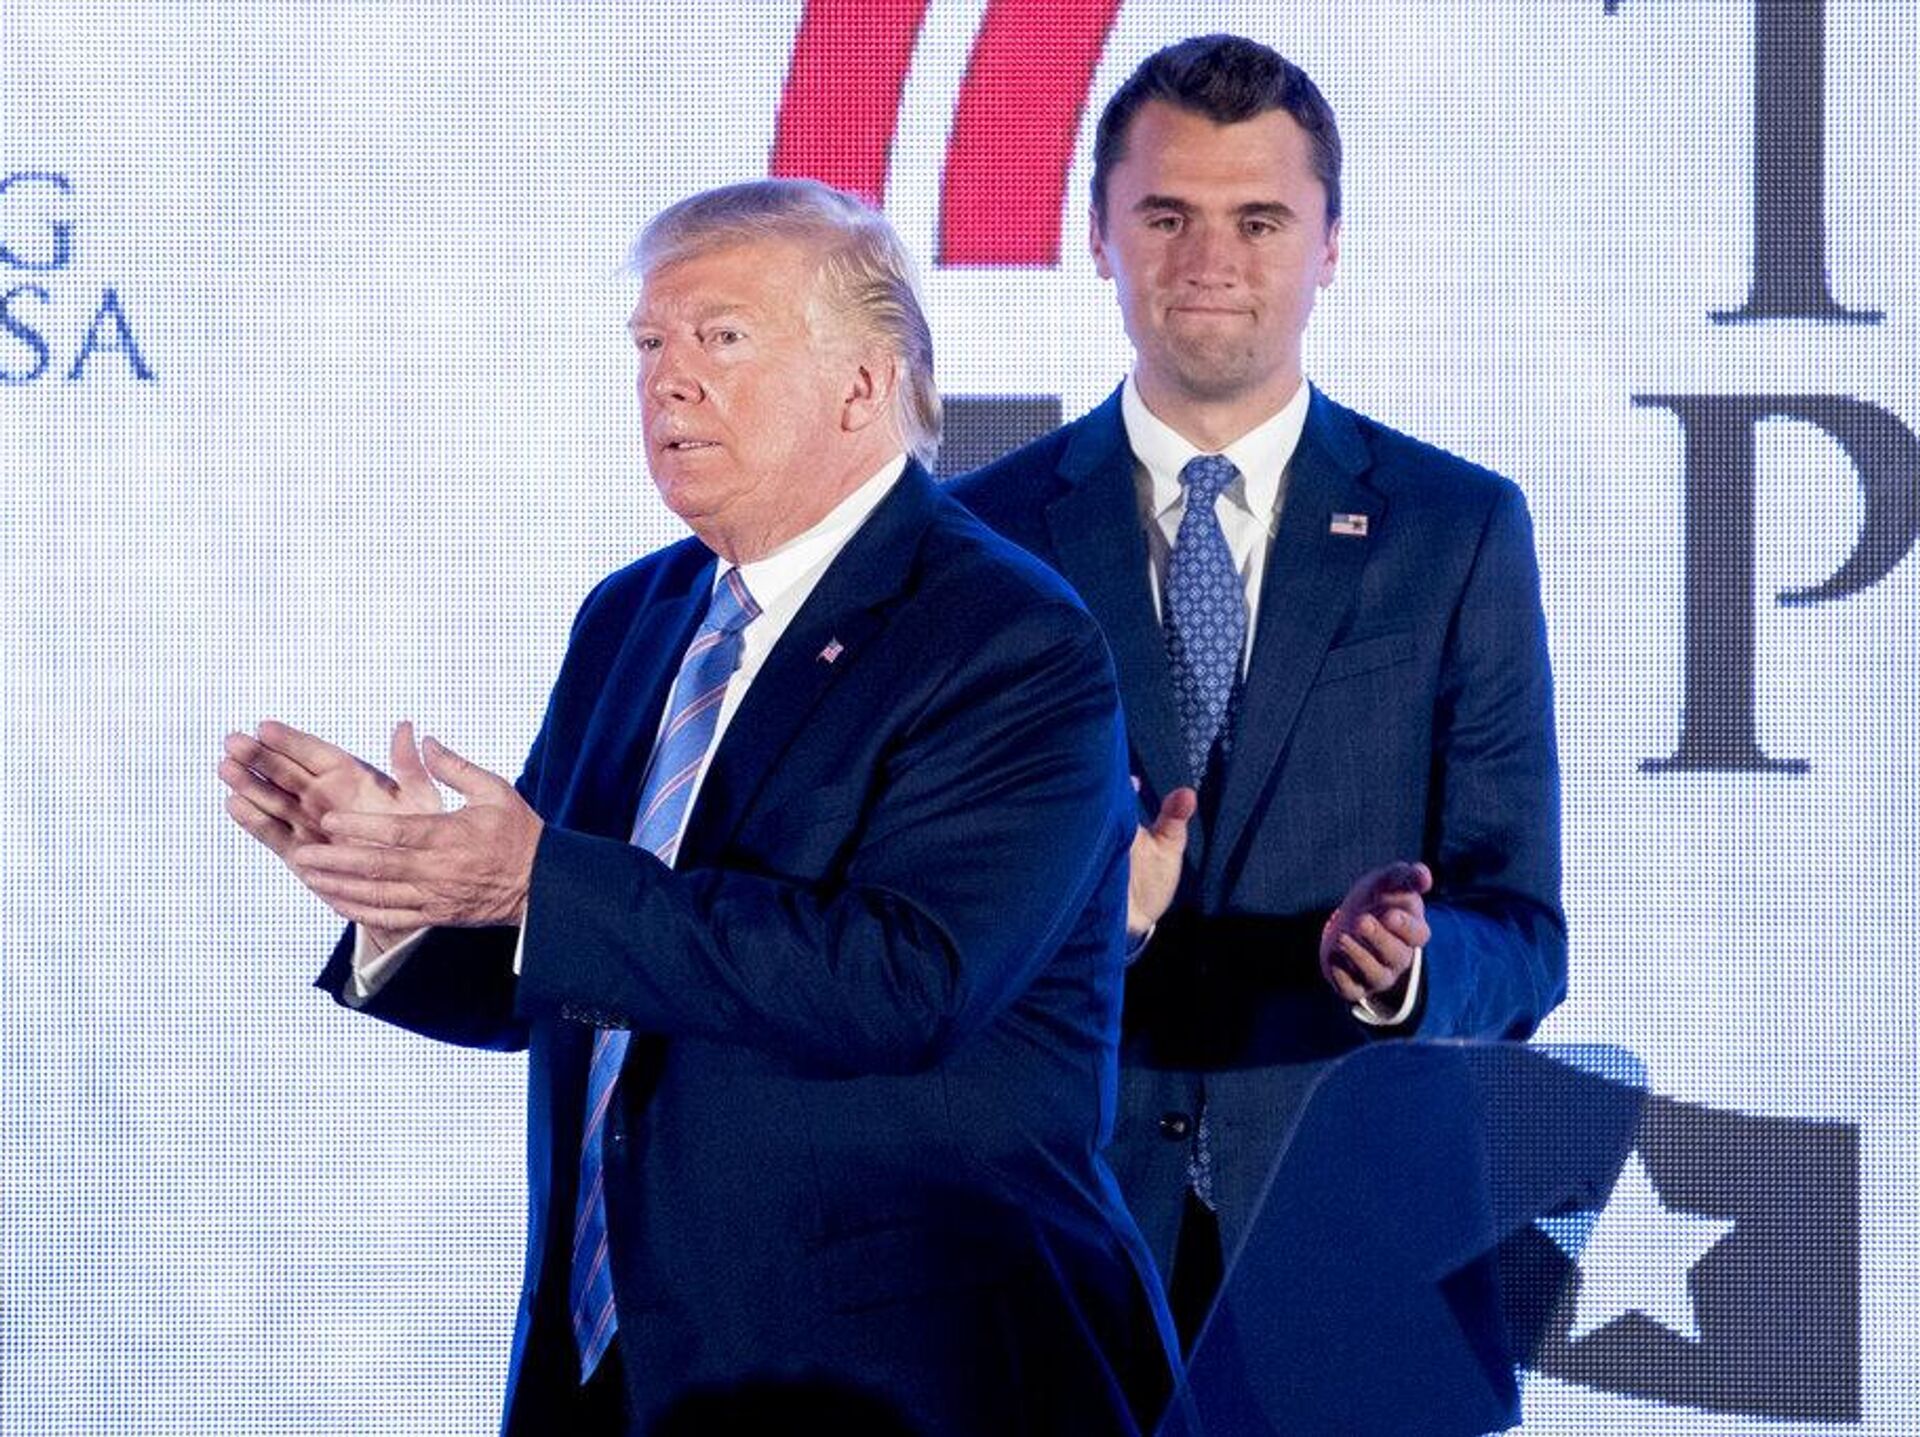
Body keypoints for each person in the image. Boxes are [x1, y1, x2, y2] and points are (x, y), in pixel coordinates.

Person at [219, 179, 1177, 1436]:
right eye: (650, 345)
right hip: (616, 1373)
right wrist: (404, 892)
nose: (669, 382)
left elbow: (909, 983)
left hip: (896, 1380)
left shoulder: (1005, 635)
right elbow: (575, 959)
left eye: (721, 338)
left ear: (862, 386)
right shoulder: (636, 614)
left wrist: (531, 882)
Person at [953, 35, 1567, 1345]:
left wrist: (1405, 974)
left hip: (1360, 1236)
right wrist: (1095, 923)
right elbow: (922, 930)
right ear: (1099, 237)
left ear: (1330, 245)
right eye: (1166, 215)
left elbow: (1524, 930)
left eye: (1259, 220)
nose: (1209, 259)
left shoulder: (1456, 528)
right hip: (1047, 1239)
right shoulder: (976, 538)